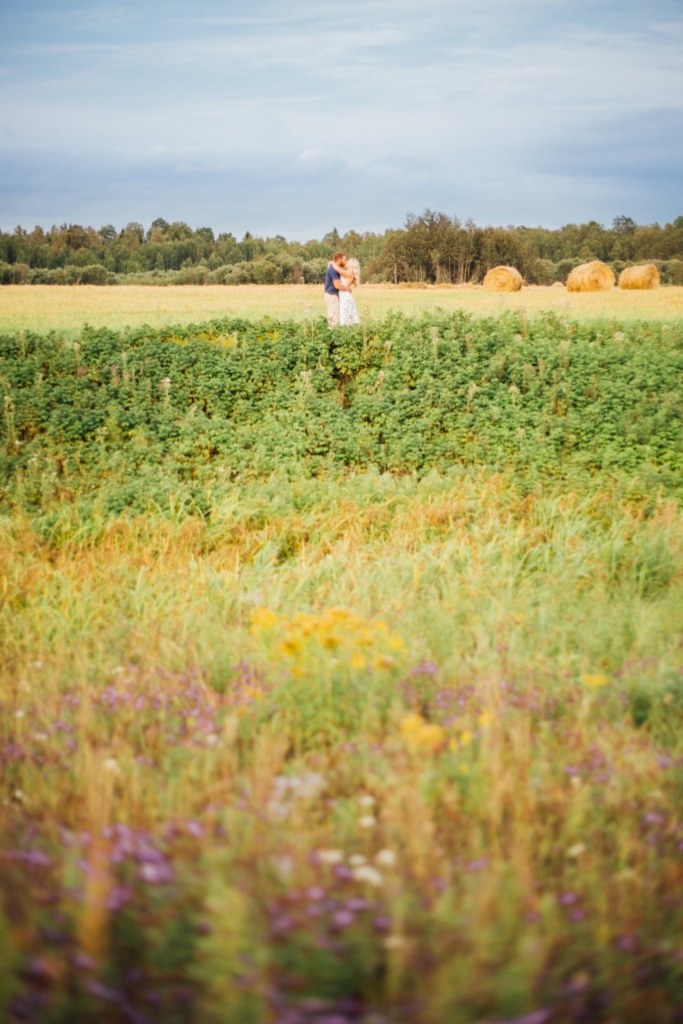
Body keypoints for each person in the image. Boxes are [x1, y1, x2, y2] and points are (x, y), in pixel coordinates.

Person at [323, 252, 353, 328]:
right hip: (332, 296)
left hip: (331, 295)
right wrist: (348, 289)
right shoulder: (333, 270)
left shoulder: (334, 269)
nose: (345, 261)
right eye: (344, 259)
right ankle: (330, 337)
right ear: (340, 259)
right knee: (333, 321)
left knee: (333, 319)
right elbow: (337, 285)